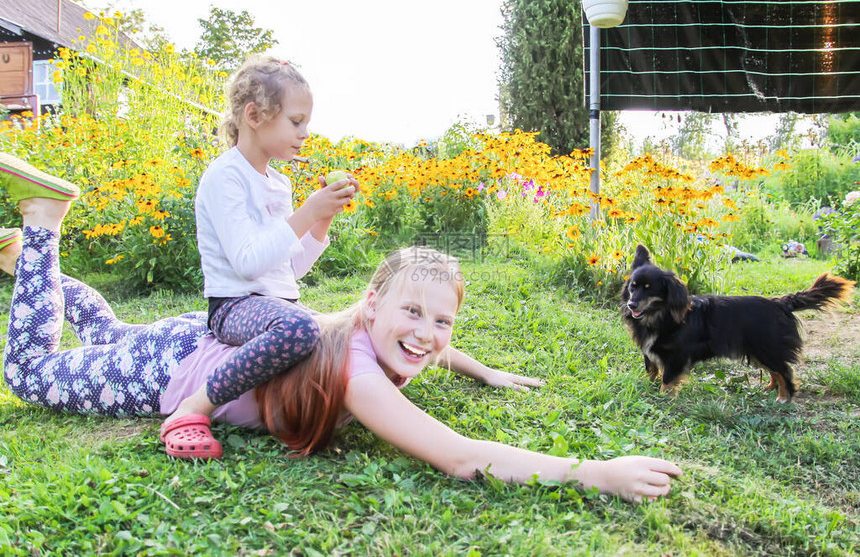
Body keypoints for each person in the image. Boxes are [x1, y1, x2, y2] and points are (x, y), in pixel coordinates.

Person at [1, 157, 682, 503]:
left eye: (442, 320)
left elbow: (428, 348)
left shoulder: (366, 336)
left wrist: (483, 369)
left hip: (192, 335)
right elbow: (458, 454)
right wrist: (594, 472)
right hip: (165, 372)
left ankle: (32, 269)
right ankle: (41, 227)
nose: (426, 335)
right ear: (370, 305)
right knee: (30, 374)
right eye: (412, 313)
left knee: (108, 329)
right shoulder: (356, 372)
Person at [185, 56, 358, 456]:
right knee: (300, 329)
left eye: (306, 123)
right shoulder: (224, 177)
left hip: (279, 304)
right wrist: (307, 212)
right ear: (255, 115)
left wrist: (321, 221)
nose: (305, 133)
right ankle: (196, 406)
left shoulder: (278, 183)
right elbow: (247, 263)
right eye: (296, 122)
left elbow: (289, 269)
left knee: (346, 332)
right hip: (235, 306)